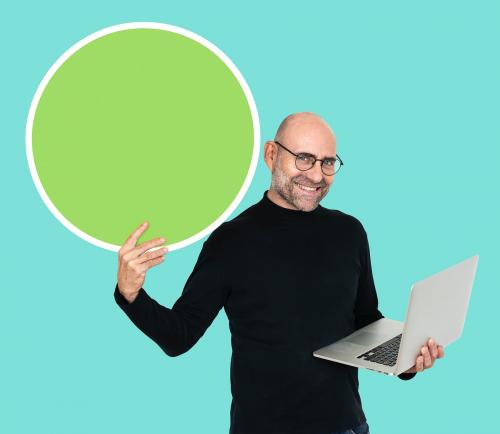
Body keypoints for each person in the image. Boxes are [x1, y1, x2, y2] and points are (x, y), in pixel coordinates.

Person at [114, 112, 444, 434]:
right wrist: (131, 295)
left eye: (328, 162)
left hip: (346, 425)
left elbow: (365, 320)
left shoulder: (350, 232)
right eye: (304, 158)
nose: (317, 176)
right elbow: (179, 336)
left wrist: (406, 359)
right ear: (271, 155)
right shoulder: (232, 241)